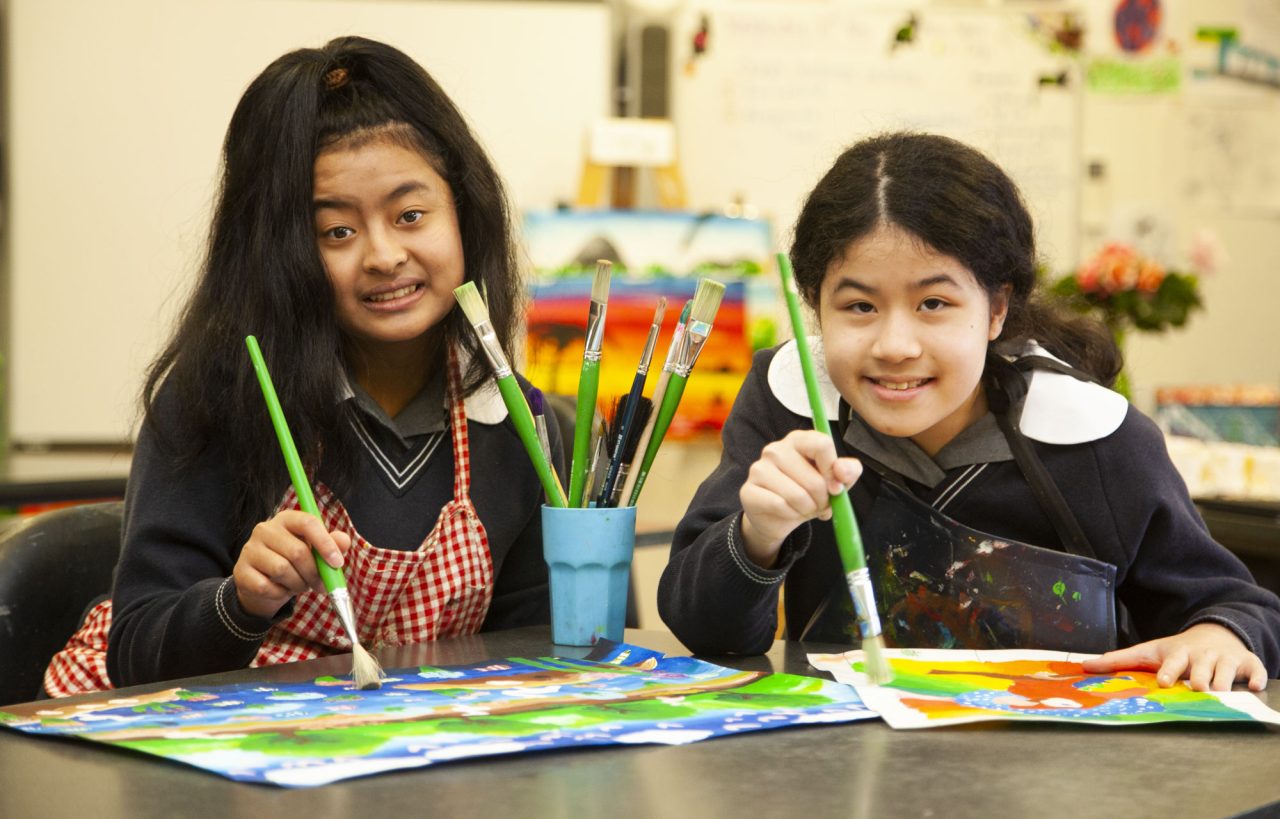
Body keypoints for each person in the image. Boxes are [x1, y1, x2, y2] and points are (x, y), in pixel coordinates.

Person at [659, 132, 1280, 692]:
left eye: (933, 303)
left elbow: (1240, 608)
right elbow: (703, 629)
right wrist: (757, 536)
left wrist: (1221, 635)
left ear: (997, 309)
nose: (895, 346)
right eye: (858, 307)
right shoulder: (789, 402)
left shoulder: (1096, 438)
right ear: (815, 308)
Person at [44, 36, 560, 696]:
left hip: (392, 758)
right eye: (337, 231)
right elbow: (137, 650)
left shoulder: (517, 423)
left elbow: (526, 660)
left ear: (465, 211)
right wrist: (240, 600)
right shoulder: (216, 402)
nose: (383, 254)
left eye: (410, 214)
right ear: (282, 252)